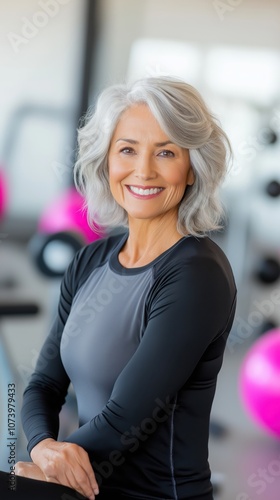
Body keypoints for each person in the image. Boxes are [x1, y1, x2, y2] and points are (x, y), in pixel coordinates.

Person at [1, 76, 236, 500]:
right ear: (106, 161)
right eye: (127, 149)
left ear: (191, 169)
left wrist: (45, 467)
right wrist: (41, 446)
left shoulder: (197, 274)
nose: (143, 170)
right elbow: (42, 385)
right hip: (82, 485)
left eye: (165, 152)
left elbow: (126, 418)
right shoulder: (90, 259)